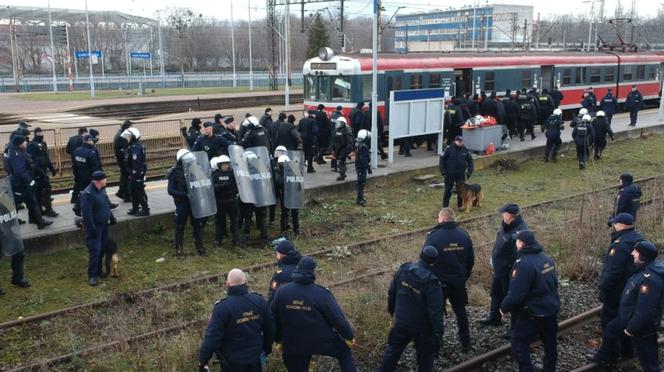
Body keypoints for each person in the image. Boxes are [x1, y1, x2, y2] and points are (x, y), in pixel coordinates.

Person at [271, 256, 357, 372]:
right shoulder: (321, 293)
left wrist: (278, 340)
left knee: (296, 364)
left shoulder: (281, 291)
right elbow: (337, 319)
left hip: (293, 342)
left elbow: (274, 318)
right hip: (322, 340)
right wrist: (349, 336)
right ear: (313, 271)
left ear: (297, 269)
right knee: (345, 353)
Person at [589, 240, 663, 370]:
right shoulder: (642, 269)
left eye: (636, 252)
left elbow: (645, 310)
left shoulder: (650, 279)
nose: (633, 253)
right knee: (611, 329)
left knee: (649, 362)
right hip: (628, 317)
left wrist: (631, 329)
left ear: (643, 257)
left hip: (641, 327)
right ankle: (603, 357)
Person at [500, 230, 560, 372]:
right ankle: (549, 369)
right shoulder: (546, 259)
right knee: (550, 343)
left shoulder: (523, 265)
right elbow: (554, 283)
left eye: (517, 241)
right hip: (550, 309)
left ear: (521, 243)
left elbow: (516, 294)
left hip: (531, 313)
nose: (516, 243)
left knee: (519, 345)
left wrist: (503, 307)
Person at [378, 246, 444, 372]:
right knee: (425, 357)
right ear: (434, 262)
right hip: (422, 329)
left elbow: (392, 293)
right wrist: (438, 333)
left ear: (420, 256)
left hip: (401, 321)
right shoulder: (432, 282)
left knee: (392, 352)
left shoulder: (404, 270)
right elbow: (436, 312)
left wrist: (393, 312)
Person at [198, 268, 275, 372]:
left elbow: (212, 337)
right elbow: (270, 328)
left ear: (227, 284)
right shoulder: (259, 301)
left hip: (231, 362)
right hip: (255, 358)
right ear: (246, 282)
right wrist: (266, 349)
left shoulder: (222, 308)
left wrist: (203, 360)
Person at [424, 208, 474, 352]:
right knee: (461, 311)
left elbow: (426, 259)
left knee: (436, 314)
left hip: (439, 284)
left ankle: (436, 346)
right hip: (458, 282)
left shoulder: (433, 236)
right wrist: (463, 277)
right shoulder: (464, 235)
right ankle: (466, 343)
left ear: (442, 219)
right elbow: (471, 260)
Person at [598, 212, 644, 360]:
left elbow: (613, 271)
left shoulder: (620, 245)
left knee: (609, 322)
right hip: (630, 288)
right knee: (625, 321)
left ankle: (611, 355)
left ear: (622, 225)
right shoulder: (638, 238)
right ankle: (628, 352)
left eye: (615, 224)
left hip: (616, 291)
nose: (613, 226)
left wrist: (603, 288)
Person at [480, 203, 528, 338]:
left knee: (512, 299)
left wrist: (514, 271)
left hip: (509, 273)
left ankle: (515, 328)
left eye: (504, 213)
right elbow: (499, 242)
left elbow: (520, 255)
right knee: (495, 293)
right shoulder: (505, 225)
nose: (502, 215)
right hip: (499, 269)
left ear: (510, 216)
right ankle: (495, 318)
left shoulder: (520, 232)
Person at [7, 135, 53, 229]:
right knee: (19, 203)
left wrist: (40, 174)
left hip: (24, 183)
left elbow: (32, 165)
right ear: (19, 143)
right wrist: (30, 181)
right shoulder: (16, 154)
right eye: (24, 141)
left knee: (31, 202)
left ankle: (38, 221)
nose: (26, 143)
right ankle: (10, 224)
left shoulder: (21, 152)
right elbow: (19, 172)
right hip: (20, 184)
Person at [167, 149, 207, 257]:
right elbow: (170, 190)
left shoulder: (195, 169)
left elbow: (204, 182)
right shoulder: (174, 172)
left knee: (198, 225)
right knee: (180, 226)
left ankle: (200, 248)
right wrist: (185, 194)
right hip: (182, 204)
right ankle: (179, 250)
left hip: (195, 202)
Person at [80, 171, 116, 286]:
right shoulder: (88, 194)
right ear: (99, 181)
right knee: (95, 251)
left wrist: (111, 216)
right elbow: (87, 214)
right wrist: (92, 229)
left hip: (104, 225)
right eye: (105, 179)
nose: (107, 180)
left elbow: (106, 205)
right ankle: (92, 275)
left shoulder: (102, 190)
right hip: (95, 227)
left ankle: (99, 271)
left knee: (102, 249)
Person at [27, 127, 58, 217]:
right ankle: (43, 210)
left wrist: (52, 169)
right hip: (37, 173)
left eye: (42, 133)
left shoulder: (43, 143)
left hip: (44, 170)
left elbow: (46, 157)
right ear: (35, 134)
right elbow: (33, 161)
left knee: (46, 190)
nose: (41, 135)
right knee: (39, 192)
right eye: (39, 134)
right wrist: (40, 172)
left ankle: (47, 210)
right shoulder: (32, 145)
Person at [211, 155, 240, 248]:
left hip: (231, 200)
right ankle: (218, 240)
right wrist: (222, 186)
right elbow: (212, 187)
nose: (226, 165)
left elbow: (238, 185)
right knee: (219, 222)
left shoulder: (232, 174)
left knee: (234, 221)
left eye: (227, 163)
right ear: (219, 165)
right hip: (220, 201)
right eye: (224, 164)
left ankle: (236, 240)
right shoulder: (215, 175)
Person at [439, 136, 473, 209]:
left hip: (460, 173)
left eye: (462, 141)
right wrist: (443, 171)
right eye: (459, 142)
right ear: (455, 141)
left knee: (462, 189)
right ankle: (445, 206)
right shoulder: (448, 149)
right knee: (448, 189)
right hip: (450, 173)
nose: (461, 143)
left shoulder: (465, 150)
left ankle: (460, 205)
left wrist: (470, 171)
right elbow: (442, 160)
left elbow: (470, 161)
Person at [72, 134, 102, 216]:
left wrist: (76, 176)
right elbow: (96, 166)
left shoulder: (76, 151)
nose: (93, 142)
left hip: (80, 176)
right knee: (92, 193)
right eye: (92, 140)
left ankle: (77, 206)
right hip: (90, 177)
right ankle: (85, 208)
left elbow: (74, 165)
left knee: (83, 192)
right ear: (89, 141)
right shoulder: (92, 152)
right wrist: (98, 177)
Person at [123, 128, 149, 216]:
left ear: (134, 137)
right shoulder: (134, 145)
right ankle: (135, 208)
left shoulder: (135, 147)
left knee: (139, 191)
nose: (127, 138)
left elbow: (136, 163)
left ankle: (145, 210)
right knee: (133, 191)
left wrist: (134, 174)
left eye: (129, 136)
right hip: (134, 172)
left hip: (137, 173)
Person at [274, 154, 300, 235]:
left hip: (293, 193)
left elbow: (299, 181)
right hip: (285, 194)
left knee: (294, 212)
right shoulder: (278, 172)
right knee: (285, 212)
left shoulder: (294, 169)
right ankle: (284, 229)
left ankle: (296, 230)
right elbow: (279, 182)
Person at [66, 127, 88, 203]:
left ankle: (74, 198)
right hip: (82, 162)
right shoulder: (83, 140)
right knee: (84, 181)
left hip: (74, 162)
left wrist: (73, 155)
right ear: (84, 132)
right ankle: (80, 199)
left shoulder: (71, 138)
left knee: (77, 180)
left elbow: (67, 150)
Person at [113, 120, 132, 202]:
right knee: (127, 177)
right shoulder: (122, 136)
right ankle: (126, 195)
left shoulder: (120, 132)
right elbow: (123, 149)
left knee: (124, 176)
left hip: (121, 159)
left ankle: (121, 192)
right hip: (123, 160)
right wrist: (127, 162)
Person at [331, 117, 354, 181]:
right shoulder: (336, 130)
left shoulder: (347, 130)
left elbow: (350, 141)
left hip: (343, 148)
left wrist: (348, 151)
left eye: (340, 123)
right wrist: (333, 149)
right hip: (337, 149)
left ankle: (342, 175)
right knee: (340, 161)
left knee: (341, 161)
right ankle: (342, 174)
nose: (338, 124)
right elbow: (333, 140)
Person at [355, 129, 371, 206]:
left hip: (358, 166)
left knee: (360, 182)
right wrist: (368, 168)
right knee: (361, 183)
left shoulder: (358, 144)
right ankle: (359, 199)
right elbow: (363, 158)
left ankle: (360, 198)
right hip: (361, 167)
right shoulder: (364, 146)